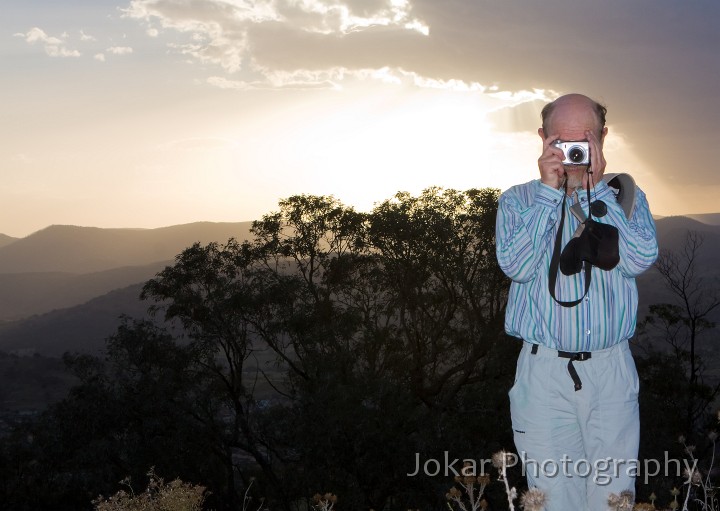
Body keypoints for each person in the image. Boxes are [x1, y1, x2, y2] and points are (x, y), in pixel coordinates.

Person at [495, 93, 658, 511]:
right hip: (544, 372)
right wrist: (551, 195)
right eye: (559, 141)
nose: (571, 153)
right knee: (550, 502)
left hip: (611, 370)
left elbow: (639, 259)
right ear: (541, 139)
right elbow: (517, 266)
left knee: (613, 500)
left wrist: (598, 192)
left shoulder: (627, 197)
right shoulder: (517, 201)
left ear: (601, 138)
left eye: (582, 140)